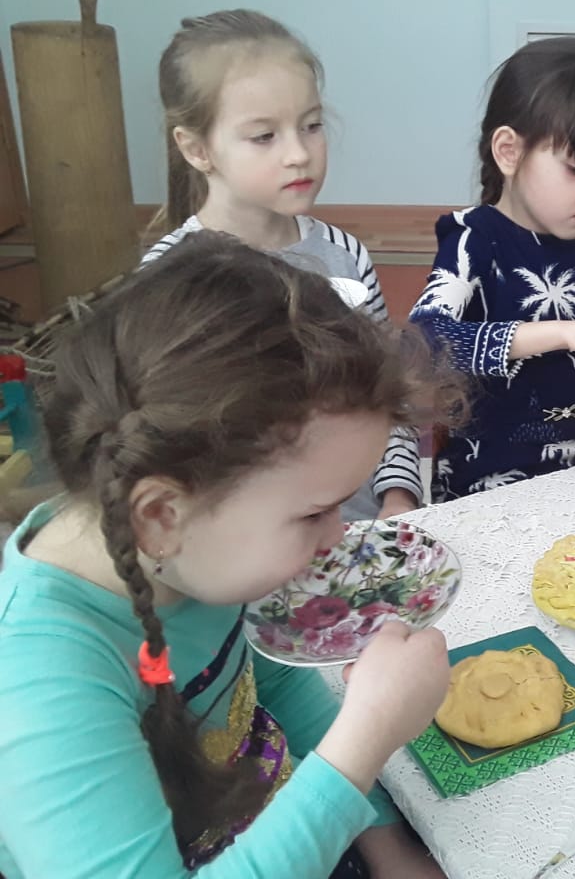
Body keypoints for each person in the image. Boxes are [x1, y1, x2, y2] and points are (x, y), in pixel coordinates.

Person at [0, 235, 462, 878]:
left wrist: (388, 848)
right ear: (160, 516)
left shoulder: (193, 559)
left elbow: (271, 680)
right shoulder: (42, 681)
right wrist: (366, 736)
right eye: (313, 513)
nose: (336, 538)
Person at [140, 9, 419, 519]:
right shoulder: (167, 277)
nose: (299, 154)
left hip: (353, 532)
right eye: (264, 136)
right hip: (240, 544)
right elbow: (167, 445)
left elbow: (389, 398)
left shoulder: (346, 255)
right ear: (197, 149)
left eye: (311, 126)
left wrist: (398, 495)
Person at [409, 36, 575, 499]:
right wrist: (561, 333)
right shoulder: (474, 240)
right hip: (487, 482)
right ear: (509, 151)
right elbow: (423, 346)